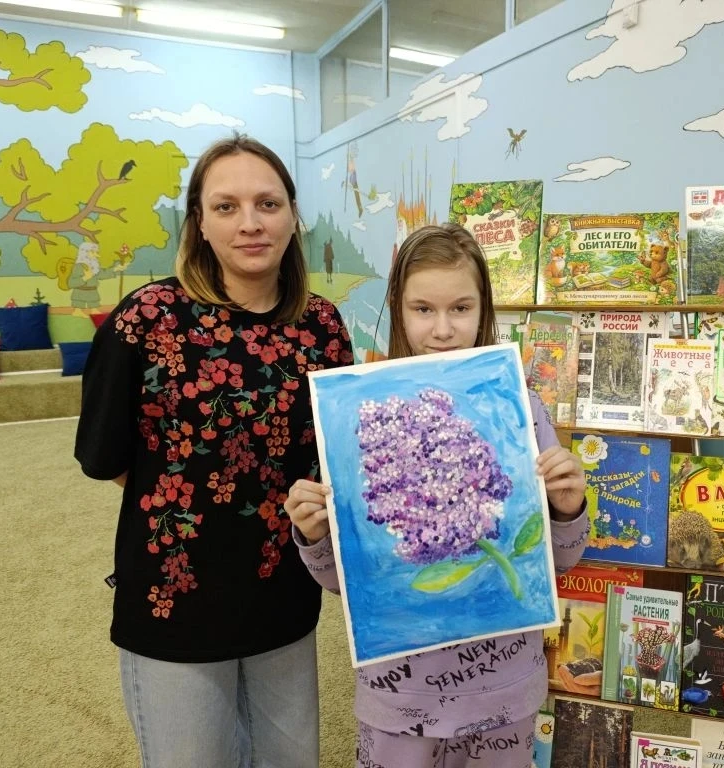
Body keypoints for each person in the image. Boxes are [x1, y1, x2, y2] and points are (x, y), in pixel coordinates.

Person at [74, 134, 354, 768]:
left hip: (285, 595)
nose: (250, 223)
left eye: (267, 203)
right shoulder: (146, 319)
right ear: (199, 222)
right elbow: (104, 457)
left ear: (293, 216)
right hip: (175, 601)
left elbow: (334, 456)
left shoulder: (321, 326)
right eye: (226, 206)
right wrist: (191, 501)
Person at [287, 223, 589, 768]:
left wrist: (567, 509)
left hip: (505, 692)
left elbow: (561, 563)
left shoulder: (521, 411)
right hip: (398, 695)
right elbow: (341, 584)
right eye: (423, 309)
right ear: (399, 311)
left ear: (483, 309)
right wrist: (314, 536)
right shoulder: (356, 413)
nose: (443, 329)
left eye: (461, 308)